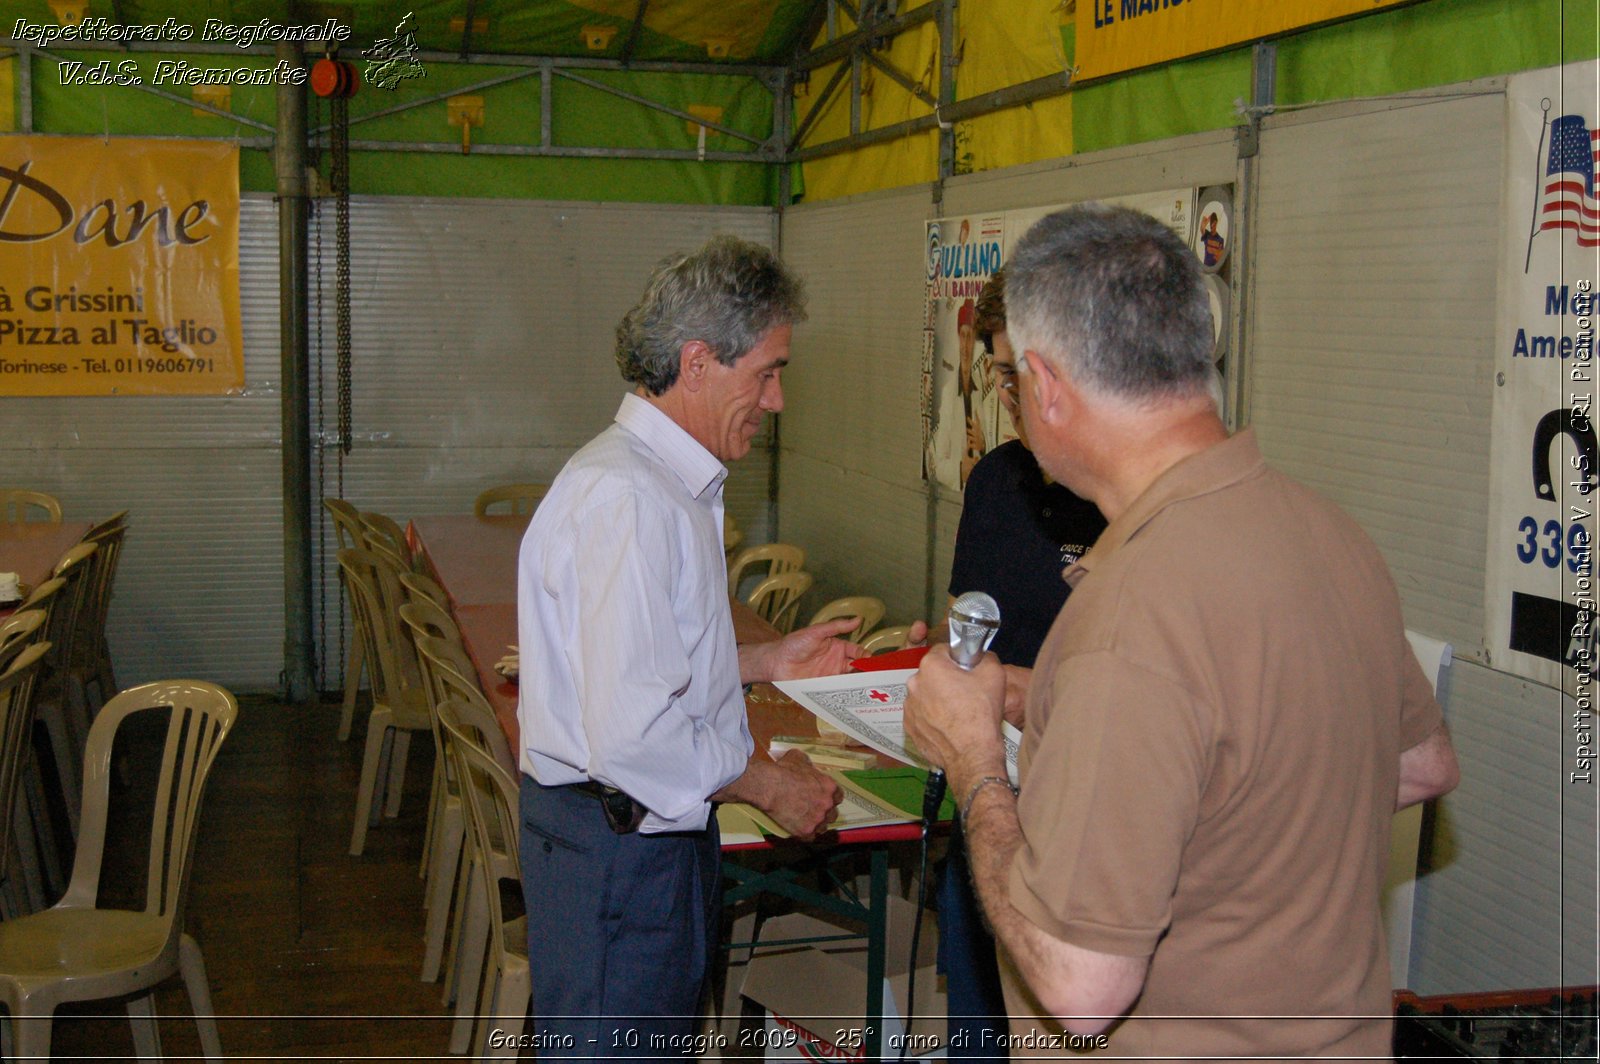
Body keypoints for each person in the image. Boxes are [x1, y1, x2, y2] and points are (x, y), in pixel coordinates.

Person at [903, 204, 1460, 1059]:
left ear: (1047, 386)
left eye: (1011, 375)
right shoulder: (1327, 534)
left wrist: (975, 759)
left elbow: (1081, 990)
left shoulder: (1130, 616)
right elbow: (1420, 765)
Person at [515, 235, 860, 1058]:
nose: (776, 400)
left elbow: (644, 666)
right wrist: (771, 786)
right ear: (699, 361)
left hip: (638, 848)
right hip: (620, 860)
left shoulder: (664, 482)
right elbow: (634, 732)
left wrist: (765, 663)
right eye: (767, 373)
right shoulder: (629, 497)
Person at [938, 266, 1106, 1061]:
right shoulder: (996, 482)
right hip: (985, 810)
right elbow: (976, 623)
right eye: (996, 372)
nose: (1006, 389)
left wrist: (1024, 691)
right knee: (978, 1027)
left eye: (1015, 372)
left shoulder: (1133, 507)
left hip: (1081, 834)